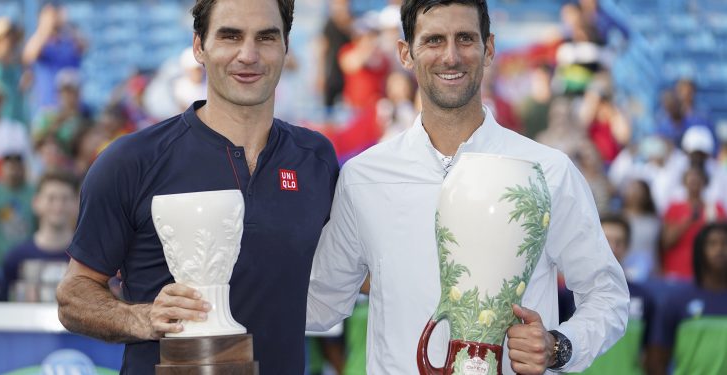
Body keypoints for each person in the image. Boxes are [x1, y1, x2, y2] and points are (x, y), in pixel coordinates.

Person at [306, 1, 629, 374]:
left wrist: (558, 346)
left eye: (465, 39)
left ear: (488, 48)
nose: (451, 56)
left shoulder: (547, 171)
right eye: (433, 40)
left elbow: (608, 294)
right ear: (405, 53)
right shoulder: (364, 177)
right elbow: (320, 303)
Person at [55, 1, 338, 374]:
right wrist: (140, 319)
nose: (248, 54)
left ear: (287, 47)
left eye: (266, 37)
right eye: (230, 36)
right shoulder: (130, 161)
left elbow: (356, 269)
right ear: (198, 47)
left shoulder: (314, 158)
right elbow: (73, 296)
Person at [560, 215, 655, 375]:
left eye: (619, 242)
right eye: (606, 240)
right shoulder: (567, 295)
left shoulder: (644, 297)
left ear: (628, 247)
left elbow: (650, 353)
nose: (612, 248)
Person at [649, 222, 727, 375]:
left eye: (725, 243)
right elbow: (656, 360)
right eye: (712, 244)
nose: (720, 249)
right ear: (699, 250)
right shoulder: (677, 300)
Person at [2, 170, 79, 299]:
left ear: (76, 204)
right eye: (51, 198)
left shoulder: (87, 258)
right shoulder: (15, 257)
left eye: (65, 199)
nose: (58, 206)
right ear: (36, 203)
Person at [0, 152, 36, 269]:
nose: (13, 170)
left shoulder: (34, 192)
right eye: (9, 166)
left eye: (17, 166)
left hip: (28, 261)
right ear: (1, 168)